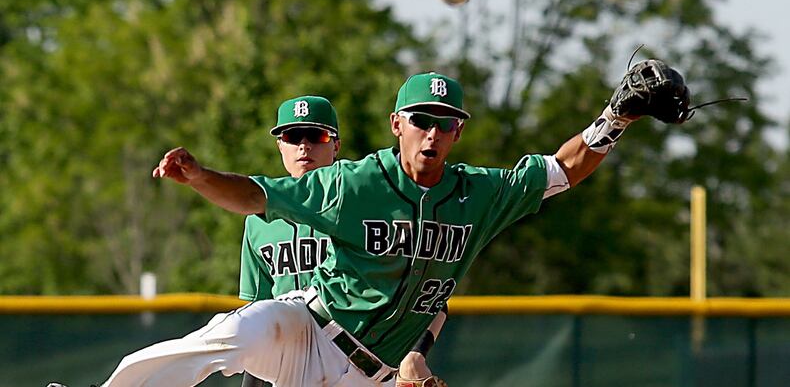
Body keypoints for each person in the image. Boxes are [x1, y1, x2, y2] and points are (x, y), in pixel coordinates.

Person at [70, 66, 674, 387]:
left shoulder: (480, 194)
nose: (431, 132)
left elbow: (562, 170)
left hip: (376, 376)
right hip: (309, 329)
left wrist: (615, 117)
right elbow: (257, 195)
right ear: (396, 124)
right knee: (228, 336)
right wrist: (201, 177)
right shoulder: (354, 183)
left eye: (444, 121)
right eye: (420, 120)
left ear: (458, 131)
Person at [236, 96, 446, 387]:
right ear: (280, 145)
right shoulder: (257, 222)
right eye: (292, 135)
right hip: (283, 362)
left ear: (336, 145)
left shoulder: (368, 206)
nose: (304, 146)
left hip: (355, 362)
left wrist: (415, 353)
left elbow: (430, 296)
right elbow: (256, 307)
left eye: (317, 135)